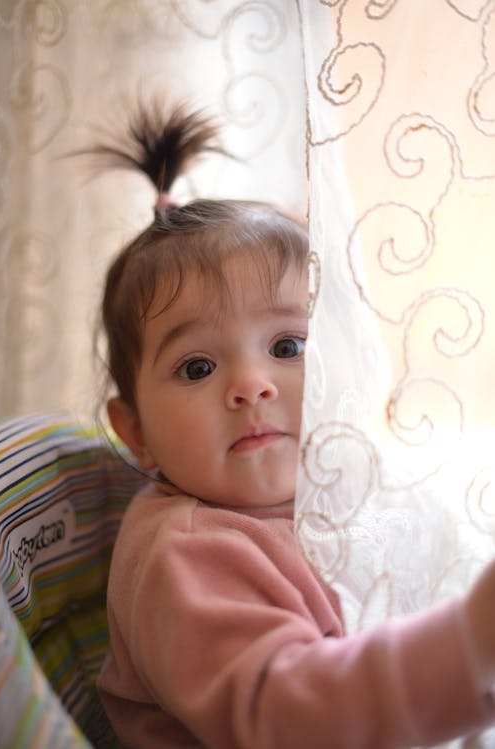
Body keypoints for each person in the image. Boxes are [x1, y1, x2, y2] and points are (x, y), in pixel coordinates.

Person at [95, 103, 495, 748]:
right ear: (135, 431)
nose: (251, 385)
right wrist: (470, 644)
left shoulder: (346, 487)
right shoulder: (189, 554)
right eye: (197, 366)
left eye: (287, 347)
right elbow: (288, 718)